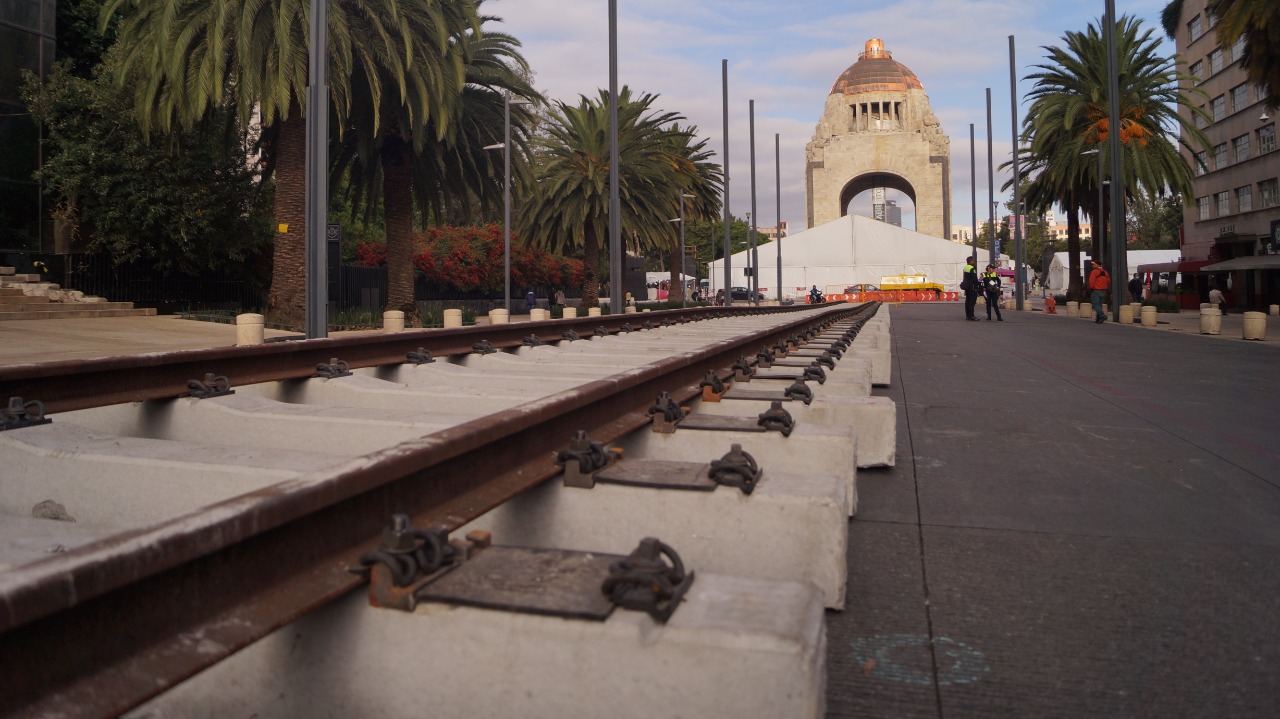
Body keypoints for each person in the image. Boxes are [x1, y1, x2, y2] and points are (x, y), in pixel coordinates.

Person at [961, 256, 980, 321]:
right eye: (973, 260)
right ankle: (972, 316)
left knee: (967, 301)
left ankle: (968, 315)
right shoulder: (972, 268)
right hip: (972, 287)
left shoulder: (965, 267)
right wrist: (977, 287)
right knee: (972, 302)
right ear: (971, 261)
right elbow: (974, 279)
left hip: (967, 286)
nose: (974, 261)